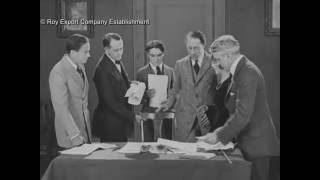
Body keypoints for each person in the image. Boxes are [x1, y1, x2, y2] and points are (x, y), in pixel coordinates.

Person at [198, 35, 280, 180]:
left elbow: (243, 114)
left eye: (218, 59)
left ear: (228, 55)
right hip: (248, 144)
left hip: (257, 147)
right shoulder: (239, 72)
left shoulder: (247, 72)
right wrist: (218, 132)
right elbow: (234, 110)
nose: (218, 64)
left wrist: (219, 136)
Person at [162, 31, 217, 142]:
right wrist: (167, 104)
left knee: (207, 155)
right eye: (189, 48)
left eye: (196, 48)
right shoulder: (180, 64)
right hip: (185, 118)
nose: (192, 52)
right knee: (185, 155)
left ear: (203, 45)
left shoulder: (215, 62)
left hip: (207, 118)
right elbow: (175, 90)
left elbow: (220, 90)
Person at [49, 34, 92, 149]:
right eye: (85, 52)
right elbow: (61, 109)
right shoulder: (58, 72)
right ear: (73, 53)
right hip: (70, 136)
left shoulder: (80, 66)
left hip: (85, 132)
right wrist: (75, 136)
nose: (89, 55)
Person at [92, 33, 136, 142]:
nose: (120, 53)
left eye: (121, 48)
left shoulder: (117, 61)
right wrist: (133, 116)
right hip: (110, 123)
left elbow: (123, 83)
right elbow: (110, 102)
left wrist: (136, 86)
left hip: (120, 121)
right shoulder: (101, 70)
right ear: (107, 50)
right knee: (111, 157)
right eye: (116, 50)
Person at [136, 40, 174, 141]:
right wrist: (146, 95)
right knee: (149, 146)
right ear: (148, 55)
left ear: (163, 54)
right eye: (153, 56)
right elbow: (136, 99)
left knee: (167, 145)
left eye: (159, 55)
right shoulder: (141, 73)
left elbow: (174, 92)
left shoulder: (170, 71)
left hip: (166, 114)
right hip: (148, 115)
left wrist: (170, 99)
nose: (156, 59)